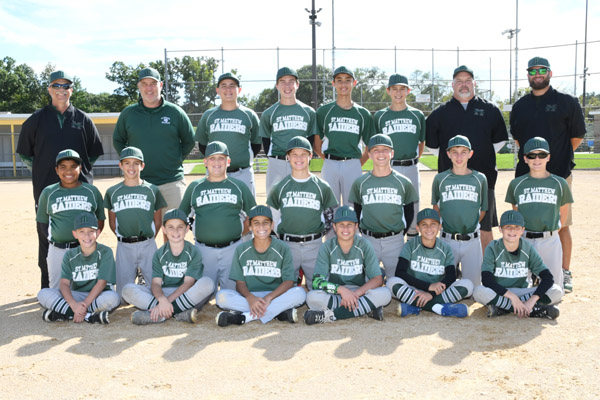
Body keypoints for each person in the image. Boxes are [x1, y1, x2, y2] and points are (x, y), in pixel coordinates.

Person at [17, 70, 104, 289]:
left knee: (83, 236)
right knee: (47, 238)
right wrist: (44, 171)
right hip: (48, 191)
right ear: (49, 89)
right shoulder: (36, 120)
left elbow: (92, 154)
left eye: (65, 86)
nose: (61, 90)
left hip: (81, 192)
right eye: (56, 86)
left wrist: (75, 174)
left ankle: (82, 285)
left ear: (71, 90)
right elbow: (26, 153)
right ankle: (49, 286)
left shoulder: (83, 119)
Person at [510, 57, 586, 293]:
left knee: (562, 224)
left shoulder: (566, 102)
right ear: (528, 75)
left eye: (542, 70)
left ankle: (564, 271)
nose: (537, 74)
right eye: (532, 71)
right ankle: (528, 271)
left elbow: (577, 137)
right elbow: (519, 140)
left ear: (550, 73)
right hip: (526, 176)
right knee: (524, 224)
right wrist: (534, 164)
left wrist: (555, 159)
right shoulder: (521, 105)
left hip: (559, 173)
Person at [426, 65, 508, 251]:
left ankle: (486, 270)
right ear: (453, 85)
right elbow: (431, 145)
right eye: (459, 81)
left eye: (468, 80)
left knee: (484, 228)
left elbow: (500, 141)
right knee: (449, 227)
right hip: (450, 181)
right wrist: (455, 161)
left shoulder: (490, 109)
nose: (464, 85)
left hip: (483, 179)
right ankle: (451, 270)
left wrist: (479, 156)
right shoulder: (440, 113)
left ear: (474, 83)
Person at [113, 67, 195, 228]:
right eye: (144, 84)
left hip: (172, 181)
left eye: (153, 83)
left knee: (174, 230)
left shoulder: (175, 112)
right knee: (140, 231)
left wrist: (176, 160)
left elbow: (189, 140)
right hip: (139, 183)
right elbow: (118, 141)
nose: (149, 88)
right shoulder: (129, 114)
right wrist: (130, 165)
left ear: (161, 85)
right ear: (139, 86)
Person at [179, 141, 256, 291]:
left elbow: (255, 216)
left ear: (228, 161)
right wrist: (192, 226)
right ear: (205, 162)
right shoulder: (195, 187)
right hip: (203, 250)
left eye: (221, 158)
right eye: (212, 158)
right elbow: (180, 217)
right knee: (202, 295)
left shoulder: (238, 186)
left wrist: (241, 231)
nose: (216, 162)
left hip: (232, 249)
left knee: (233, 294)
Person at [215, 205, 307, 326]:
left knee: (300, 293)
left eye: (265, 223)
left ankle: (246, 317)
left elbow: (289, 282)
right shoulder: (241, 249)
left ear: (272, 225)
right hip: (251, 296)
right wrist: (250, 298)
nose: (261, 227)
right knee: (221, 296)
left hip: (275, 296)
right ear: (250, 226)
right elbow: (240, 284)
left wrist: (269, 297)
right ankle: (278, 313)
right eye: (256, 223)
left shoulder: (283, 248)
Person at [122, 209, 215, 325]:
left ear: (187, 229)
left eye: (180, 227)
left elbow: (188, 283)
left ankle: (159, 314)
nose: (175, 231)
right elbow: (156, 284)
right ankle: (178, 313)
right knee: (127, 290)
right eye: (170, 227)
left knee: (208, 283)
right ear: (164, 229)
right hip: (165, 293)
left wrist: (167, 302)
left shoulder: (193, 251)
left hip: (185, 294)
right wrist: (162, 300)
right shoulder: (159, 253)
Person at [267, 136, 337, 289]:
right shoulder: (280, 187)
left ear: (311, 156)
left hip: (314, 246)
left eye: (303, 154)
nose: (299, 158)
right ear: (288, 157)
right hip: (288, 246)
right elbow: (272, 218)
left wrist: (315, 235)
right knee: (284, 291)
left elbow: (330, 217)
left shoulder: (322, 186)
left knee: (320, 290)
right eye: (294, 154)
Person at [505, 137, 573, 292]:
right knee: (516, 288)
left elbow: (562, 216)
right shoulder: (517, 184)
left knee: (555, 291)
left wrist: (552, 233)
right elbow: (516, 215)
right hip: (524, 240)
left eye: (541, 155)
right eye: (531, 155)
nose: (537, 159)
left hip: (550, 240)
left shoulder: (560, 183)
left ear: (548, 157)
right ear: (525, 159)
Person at [303, 206, 392, 325]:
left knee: (385, 294)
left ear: (356, 226)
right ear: (334, 227)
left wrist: (354, 294)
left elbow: (377, 279)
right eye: (341, 224)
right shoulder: (327, 247)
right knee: (312, 297)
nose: (345, 228)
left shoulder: (364, 245)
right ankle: (364, 309)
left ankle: (331, 315)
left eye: (349, 224)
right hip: (336, 294)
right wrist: (341, 290)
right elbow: (317, 282)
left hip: (360, 293)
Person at [349, 134, 418, 279]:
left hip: (395, 241)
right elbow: (357, 211)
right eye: (376, 150)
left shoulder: (403, 182)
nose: (381, 154)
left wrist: (399, 233)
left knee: (397, 284)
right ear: (369, 154)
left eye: (385, 150)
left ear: (392, 153)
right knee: (368, 283)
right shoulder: (360, 182)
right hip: (369, 240)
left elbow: (409, 212)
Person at [104, 147, 167, 302]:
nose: (131, 167)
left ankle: (147, 297)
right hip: (124, 245)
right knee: (122, 296)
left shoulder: (152, 190)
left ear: (142, 166)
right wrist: (124, 238)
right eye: (127, 163)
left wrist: (149, 238)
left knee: (157, 287)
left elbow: (158, 220)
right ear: (120, 165)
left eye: (135, 163)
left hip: (148, 244)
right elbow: (112, 223)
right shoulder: (113, 191)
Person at [473, 210, 563, 319]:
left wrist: (531, 300)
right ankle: (533, 311)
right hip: (500, 292)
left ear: (522, 230)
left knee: (556, 291)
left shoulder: (528, 248)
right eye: (508, 226)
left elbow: (548, 278)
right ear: (500, 229)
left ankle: (503, 307)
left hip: (523, 292)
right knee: (479, 292)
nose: (512, 230)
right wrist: (512, 298)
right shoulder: (493, 247)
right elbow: (486, 279)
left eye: (517, 227)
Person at [36, 149, 106, 289]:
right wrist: (54, 239)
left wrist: (88, 240)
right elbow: (42, 222)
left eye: (73, 166)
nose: (68, 171)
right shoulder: (48, 192)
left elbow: (99, 220)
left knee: (85, 288)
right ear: (56, 170)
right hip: (58, 249)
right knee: (56, 289)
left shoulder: (92, 191)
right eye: (63, 167)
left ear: (80, 168)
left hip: (84, 248)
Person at [386, 208, 473, 318]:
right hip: (414, 289)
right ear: (418, 228)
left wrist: (431, 294)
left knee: (468, 285)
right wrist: (428, 286)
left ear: (439, 227)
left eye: (433, 224)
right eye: (424, 224)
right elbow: (400, 272)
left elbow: (451, 276)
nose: (429, 228)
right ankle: (440, 309)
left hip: (437, 292)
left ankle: (416, 306)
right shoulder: (410, 245)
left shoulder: (445, 248)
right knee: (391, 283)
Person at [37, 212, 119, 324]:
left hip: (99, 294)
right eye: (82, 232)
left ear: (98, 232)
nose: (87, 236)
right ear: (75, 234)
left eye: (91, 231)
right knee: (43, 294)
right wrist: (74, 305)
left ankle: (66, 313)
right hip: (77, 294)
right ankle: (89, 316)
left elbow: (102, 283)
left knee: (113, 298)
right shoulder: (70, 255)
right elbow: (64, 283)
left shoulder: (105, 252)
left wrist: (82, 307)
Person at [314, 66, 375, 207]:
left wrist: (356, 164)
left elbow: (370, 146)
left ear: (354, 83)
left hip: (353, 162)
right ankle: (329, 231)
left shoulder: (363, 113)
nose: (343, 84)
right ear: (333, 83)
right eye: (339, 80)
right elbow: (317, 145)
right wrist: (330, 161)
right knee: (329, 206)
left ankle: (353, 231)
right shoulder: (324, 111)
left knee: (352, 206)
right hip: (330, 163)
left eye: (348, 80)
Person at [373, 74, 426, 236]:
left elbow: (421, 143)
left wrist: (413, 161)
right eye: (394, 89)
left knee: (413, 207)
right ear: (388, 91)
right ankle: (391, 246)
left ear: (408, 91)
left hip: (411, 166)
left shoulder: (417, 115)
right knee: (389, 206)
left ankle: (410, 250)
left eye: (402, 89)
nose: (398, 93)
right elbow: (376, 145)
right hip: (389, 168)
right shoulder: (380, 116)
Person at [431, 136, 487, 286]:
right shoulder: (440, 179)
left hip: (472, 240)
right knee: (441, 285)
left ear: (471, 154)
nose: (459, 156)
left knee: (474, 288)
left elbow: (483, 210)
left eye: (463, 152)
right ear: (448, 154)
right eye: (454, 152)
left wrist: (469, 227)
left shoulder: (480, 179)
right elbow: (436, 208)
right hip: (447, 239)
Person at [196, 72, 261, 196]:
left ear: (239, 89)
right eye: (224, 85)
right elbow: (203, 144)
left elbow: (256, 144)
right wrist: (215, 163)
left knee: (247, 213)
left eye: (232, 85)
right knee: (215, 211)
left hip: (243, 173)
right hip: (214, 174)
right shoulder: (208, 115)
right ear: (217, 90)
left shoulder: (249, 115)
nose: (228, 89)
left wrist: (240, 160)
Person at [260, 67, 317, 196]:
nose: (287, 85)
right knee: (274, 203)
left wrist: (305, 159)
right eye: (282, 81)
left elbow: (311, 138)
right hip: (277, 161)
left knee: (300, 199)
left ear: (297, 85)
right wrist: (274, 159)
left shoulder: (308, 112)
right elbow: (266, 138)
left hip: (299, 162)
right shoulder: (269, 113)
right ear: (277, 86)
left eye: (291, 81)